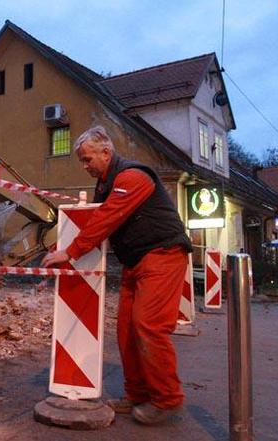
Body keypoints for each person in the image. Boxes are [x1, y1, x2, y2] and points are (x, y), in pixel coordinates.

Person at [41, 126, 192, 425]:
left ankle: (166, 399)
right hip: (135, 262)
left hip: (161, 256)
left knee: (147, 326)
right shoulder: (106, 182)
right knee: (126, 330)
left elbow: (106, 219)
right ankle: (137, 394)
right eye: (82, 161)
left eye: (87, 160)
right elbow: (101, 218)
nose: (85, 167)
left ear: (106, 152)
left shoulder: (132, 177)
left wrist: (69, 252)